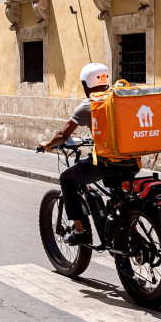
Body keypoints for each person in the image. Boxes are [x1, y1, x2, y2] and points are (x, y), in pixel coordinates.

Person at [38, 63, 141, 246]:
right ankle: (131, 232)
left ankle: (79, 231)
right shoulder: (122, 98)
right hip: (133, 161)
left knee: (67, 179)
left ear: (85, 84)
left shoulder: (90, 104)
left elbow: (62, 135)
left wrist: (48, 144)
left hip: (107, 163)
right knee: (119, 198)